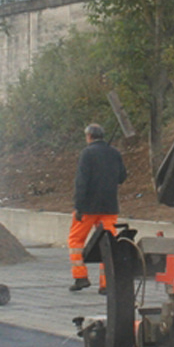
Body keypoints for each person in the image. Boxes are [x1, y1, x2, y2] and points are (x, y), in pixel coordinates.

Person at [67, 123, 127, 293]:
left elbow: (81, 181)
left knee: (76, 241)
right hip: (109, 207)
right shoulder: (114, 153)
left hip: (87, 207)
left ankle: (80, 277)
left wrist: (78, 206)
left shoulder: (87, 153)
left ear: (89, 137)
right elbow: (122, 177)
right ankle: (106, 284)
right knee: (108, 244)